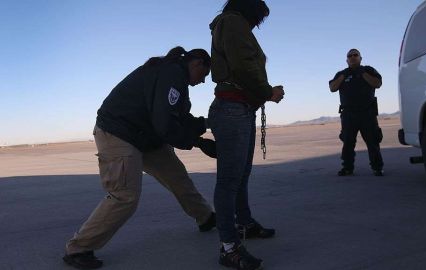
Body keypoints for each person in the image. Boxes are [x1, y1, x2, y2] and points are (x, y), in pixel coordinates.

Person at [63, 46, 217, 269]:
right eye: (204, 75)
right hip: (119, 134)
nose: (203, 82)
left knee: (177, 177)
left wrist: (204, 125)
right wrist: (199, 142)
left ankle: (206, 217)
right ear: (197, 63)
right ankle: (78, 248)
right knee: (124, 195)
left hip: (145, 137)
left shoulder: (174, 78)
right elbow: (165, 124)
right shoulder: (172, 74)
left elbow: (176, 118)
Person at [208, 0, 285, 269]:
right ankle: (229, 247)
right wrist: (268, 92)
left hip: (240, 108)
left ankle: (245, 224)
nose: (257, 25)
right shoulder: (233, 22)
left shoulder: (232, 24)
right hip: (232, 109)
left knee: (240, 176)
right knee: (229, 180)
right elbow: (242, 65)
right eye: (258, 18)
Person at [329, 48, 384, 177]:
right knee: (348, 142)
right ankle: (347, 168)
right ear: (346, 60)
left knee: (373, 141)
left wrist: (362, 73)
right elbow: (332, 87)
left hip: (367, 113)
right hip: (349, 114)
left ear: (360, 58)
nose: (353, 57)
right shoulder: (342, 73)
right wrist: (344, 75)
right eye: (350, 56)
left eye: (355, 55)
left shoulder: (369, 70)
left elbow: (377, 83)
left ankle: (377, 167)